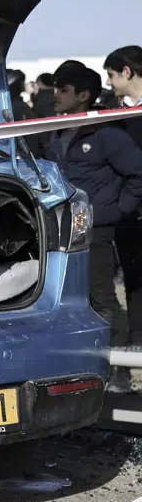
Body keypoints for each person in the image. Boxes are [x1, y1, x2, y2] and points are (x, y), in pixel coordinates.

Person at [49, 63, 142, 389]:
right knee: (72, 300)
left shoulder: (107, 133)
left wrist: (117, 211)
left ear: (84, 95)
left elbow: (137, 172)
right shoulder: (55, 130)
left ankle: (118, 375)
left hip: (98, 230)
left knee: (102, 298)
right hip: (61, 230)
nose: (55, 95)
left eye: (63, 89)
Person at [105, 46, 142, 349]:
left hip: (133, 207)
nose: (110, 82)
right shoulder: (119, 111)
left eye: (112, 75)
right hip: (132, 215)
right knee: (134, 281)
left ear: (127, 72)